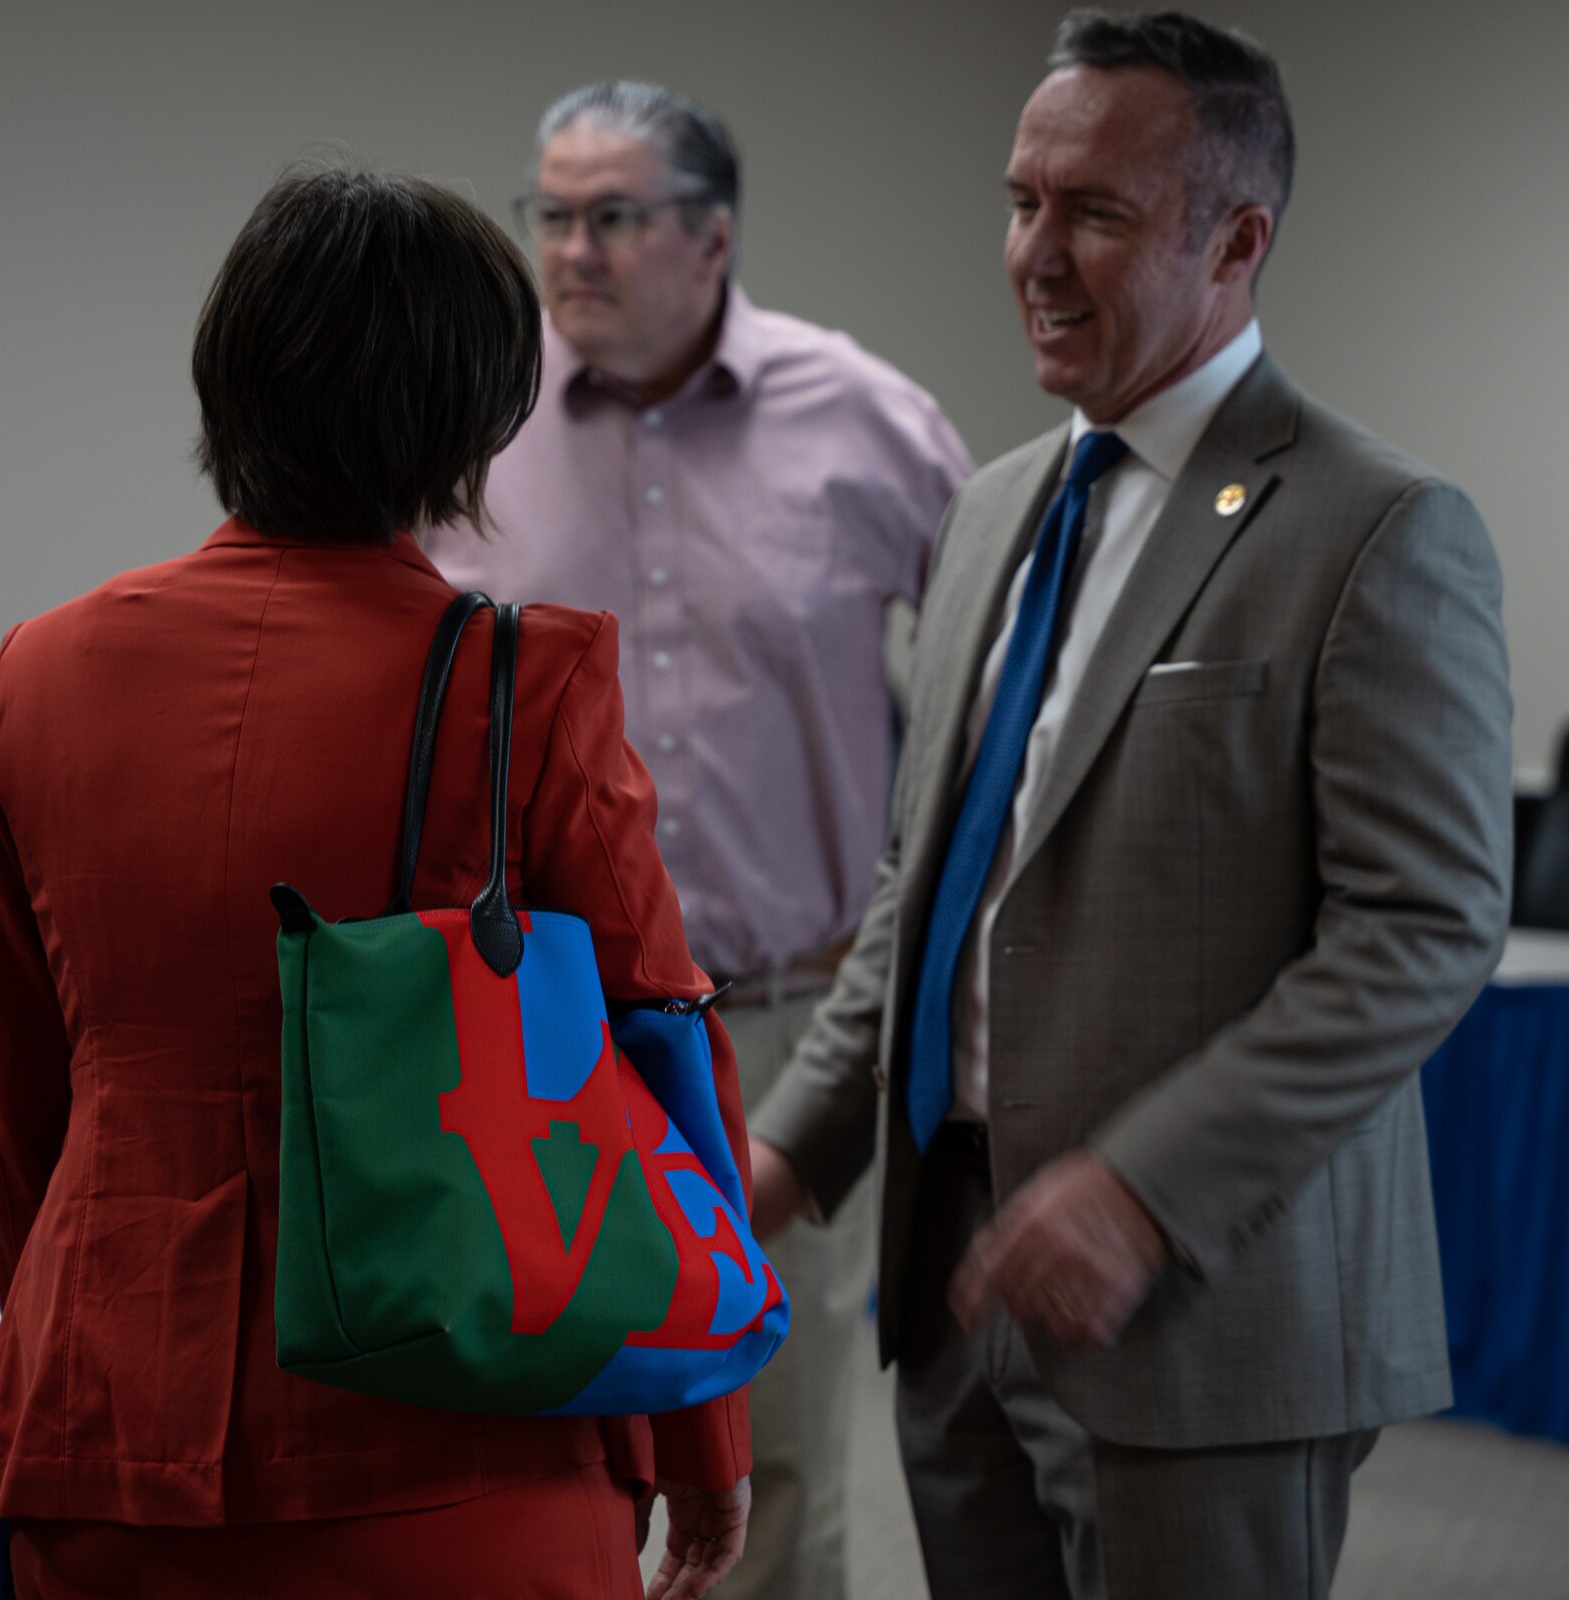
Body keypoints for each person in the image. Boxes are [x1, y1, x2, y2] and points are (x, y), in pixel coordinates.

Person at [748, 12, 1512, 1599]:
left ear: (1238, 241)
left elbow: (1424, 932)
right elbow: (928, 885)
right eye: (1022, 200)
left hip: (1203, 1305)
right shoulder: (990, 510)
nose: (1035, 251)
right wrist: (788, 1152)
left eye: (1094, 212)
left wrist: (1143, 1189)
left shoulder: (1377, 529)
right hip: (955, 1274)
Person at [0, 164, 753, 1600]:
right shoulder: (524, 681)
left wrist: (82, 1343)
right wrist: (702, 1432)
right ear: (476, 419)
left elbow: (14, 1090)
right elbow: (658, 1060)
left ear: (230, 377)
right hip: (460, 1429)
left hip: (112, 1438)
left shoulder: (38, 673)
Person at [427, 81, 972, 1600]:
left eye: (614, 217)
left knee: (775, 1452)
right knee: (542, 1434)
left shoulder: (866, 418)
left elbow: (1005, 682)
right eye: (552, 214)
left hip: (788, 1022)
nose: (572, 251)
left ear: (713, 237)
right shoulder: (479, 416)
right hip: (539, 1020)